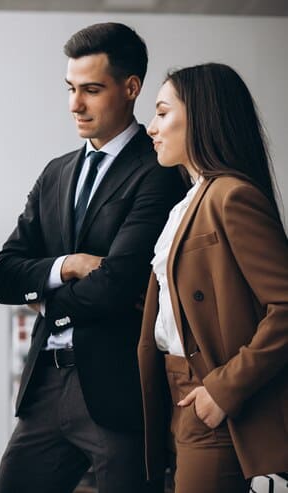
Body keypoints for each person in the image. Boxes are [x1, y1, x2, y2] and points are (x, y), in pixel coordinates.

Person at [0, 22, 186, 493]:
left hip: (117, 392)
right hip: (44, 389)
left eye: (91, 90)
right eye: (71, 89)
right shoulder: (56, 172)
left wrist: (46, 301)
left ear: (131, 87)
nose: (75, 105)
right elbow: (3, 274)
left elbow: (118, 283)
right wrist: (69, 265)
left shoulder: (159, 173)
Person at [139, 62, 288, 493]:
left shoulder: (231, 195)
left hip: (211, 395)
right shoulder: (187, 202)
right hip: (172, 394)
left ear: (202, 115)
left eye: (163, 112)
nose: (151, 127)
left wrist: (223, 389)